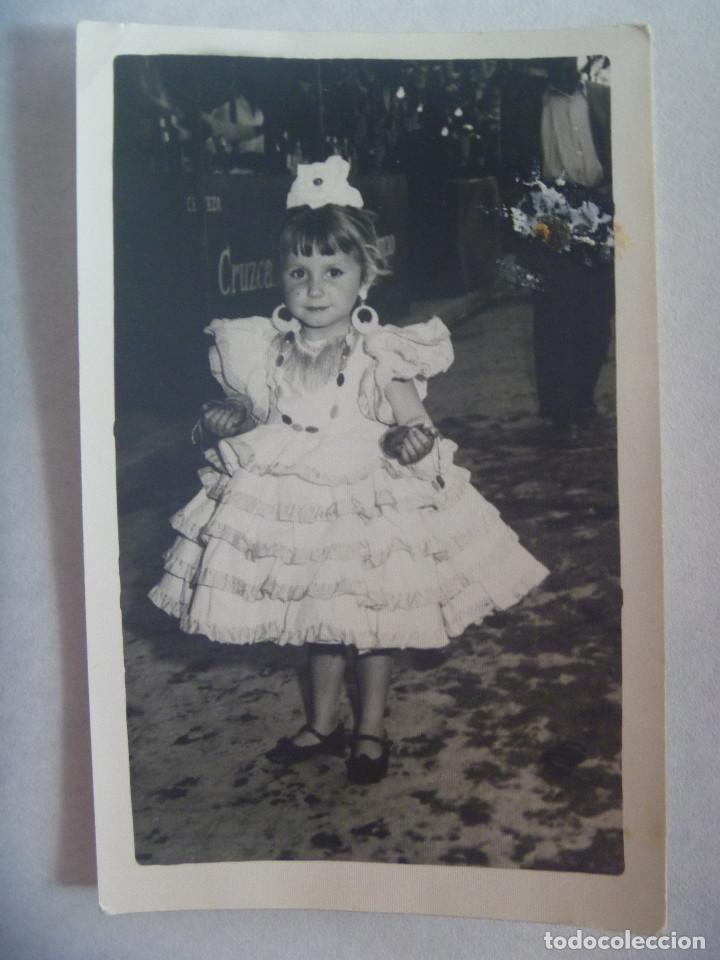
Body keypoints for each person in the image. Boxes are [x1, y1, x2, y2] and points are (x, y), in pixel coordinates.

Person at [149, 156, 548, 785]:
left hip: (366, 495)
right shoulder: (259, 350)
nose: (314, 288)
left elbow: (416, 426)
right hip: (300, 500)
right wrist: (221, 422)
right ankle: (321, 722)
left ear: (364, 278)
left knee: (372, 618)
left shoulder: (379, 351)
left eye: (333, 271)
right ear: (280, 280)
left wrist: (412, 444)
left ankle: (370, 727)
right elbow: (245, 415)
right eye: (298, 272)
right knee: (319, 619)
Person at [501, 58, 614, 439]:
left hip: (600, 210)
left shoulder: (603, 99)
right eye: (554, 59)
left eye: (568, 59)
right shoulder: (528, 108)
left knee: (596, 313)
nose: (561, 65)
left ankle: (583, 396)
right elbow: (513, 168)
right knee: (554, 315)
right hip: (549, 216)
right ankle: (561, 413)